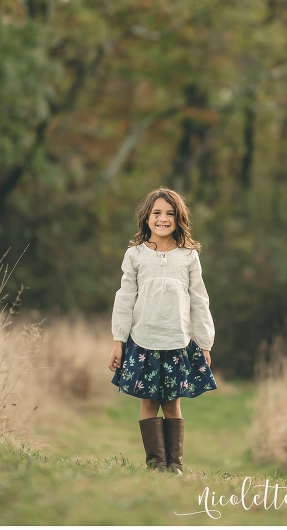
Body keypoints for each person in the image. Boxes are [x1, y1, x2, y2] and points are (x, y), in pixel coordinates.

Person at [108, 187, 216, 475]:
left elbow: (199, 299)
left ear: (179, 219)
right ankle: (156, 464)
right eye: (157, 213)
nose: (163, 219)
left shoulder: (188, 257)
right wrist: (118, 341)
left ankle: (175, 465)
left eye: (169, 214)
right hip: (143, 340)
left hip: (177, 341)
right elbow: (125, 297)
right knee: (149, 400)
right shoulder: (135, 255)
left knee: (172, 402)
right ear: (146, 218)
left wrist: (205, 343)